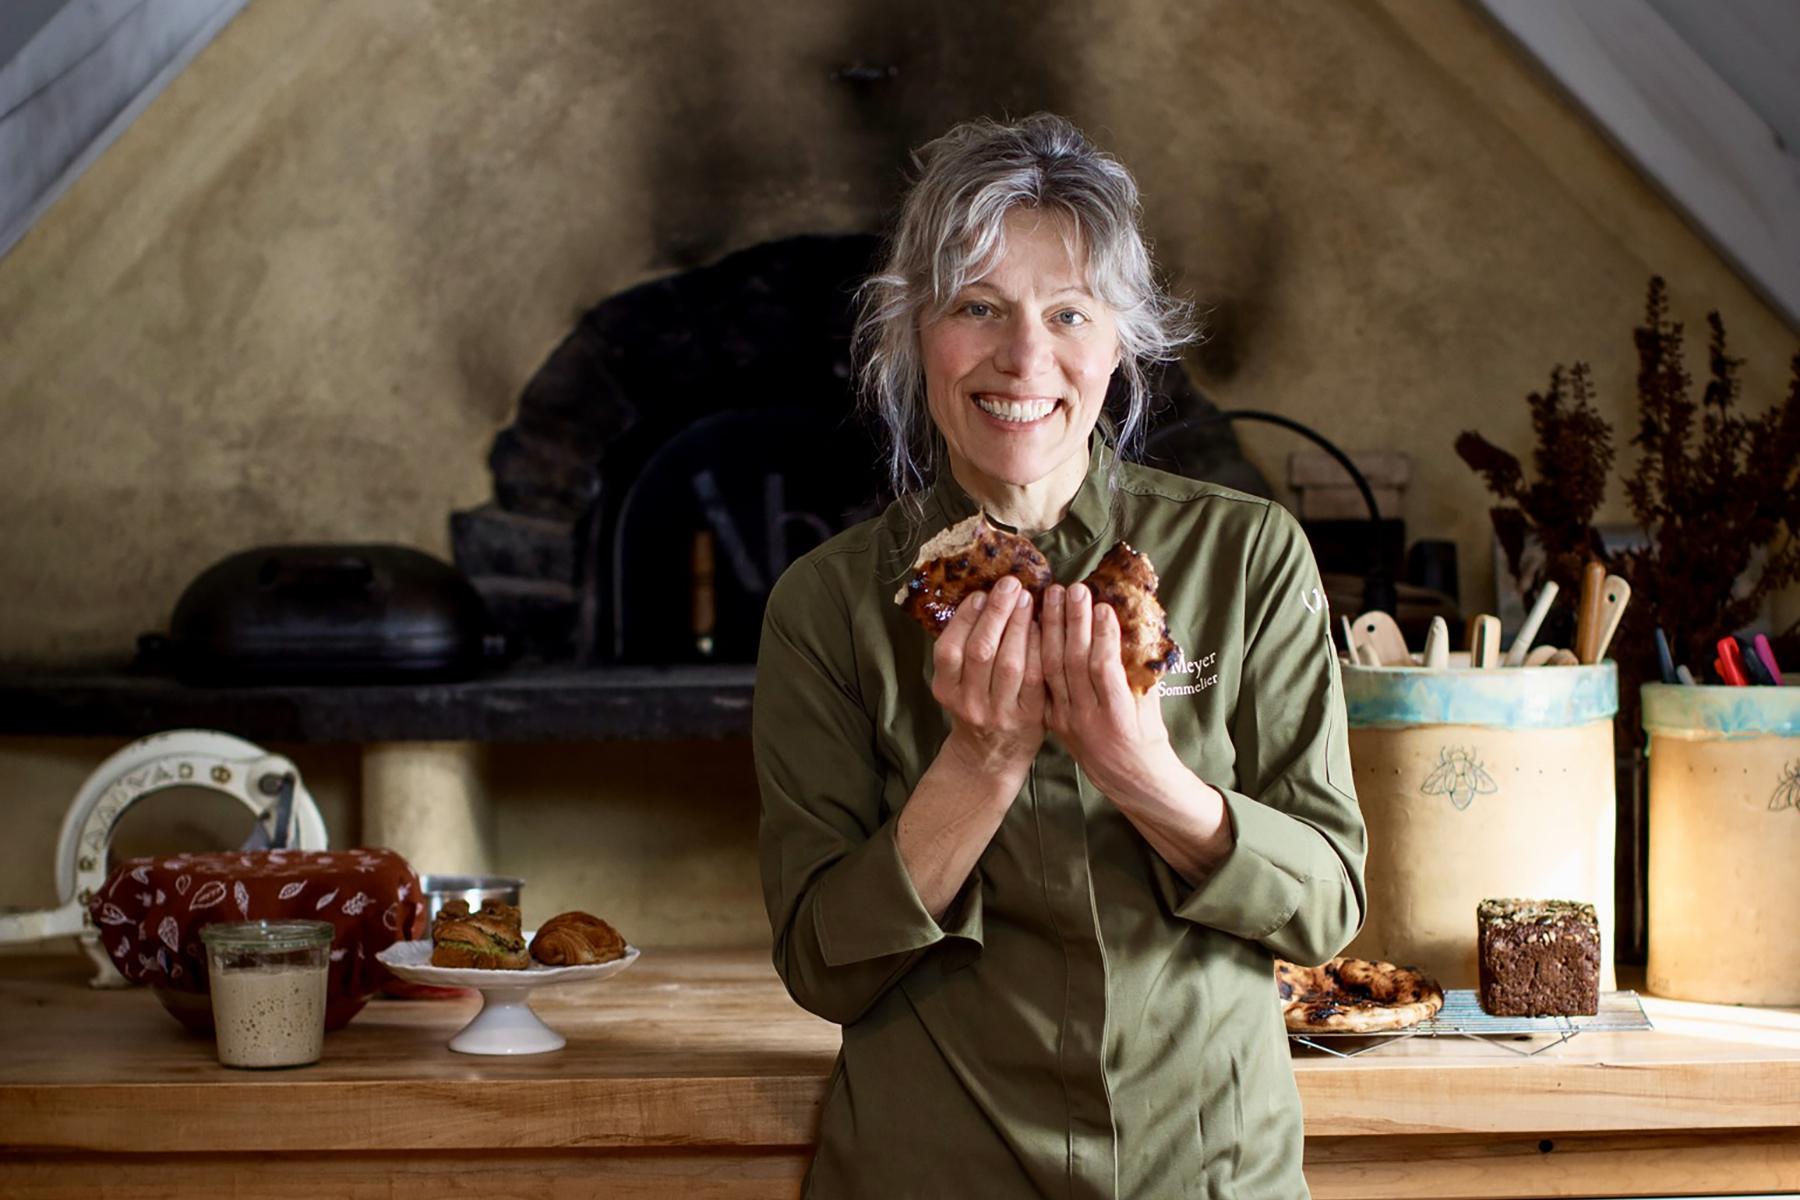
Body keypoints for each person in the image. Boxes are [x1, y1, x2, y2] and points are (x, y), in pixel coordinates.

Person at [754, 112, 1367, 1199]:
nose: (1023, 359)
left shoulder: (1248, 554)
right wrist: (979, 763)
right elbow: (822, 966)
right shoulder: (825, 605)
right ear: (914, 335)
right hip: (932, 1171)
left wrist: (1137, 767)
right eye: (977, 308)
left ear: (1121, 341)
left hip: (1206, 1170)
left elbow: (1323, 907)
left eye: (1068, 312)